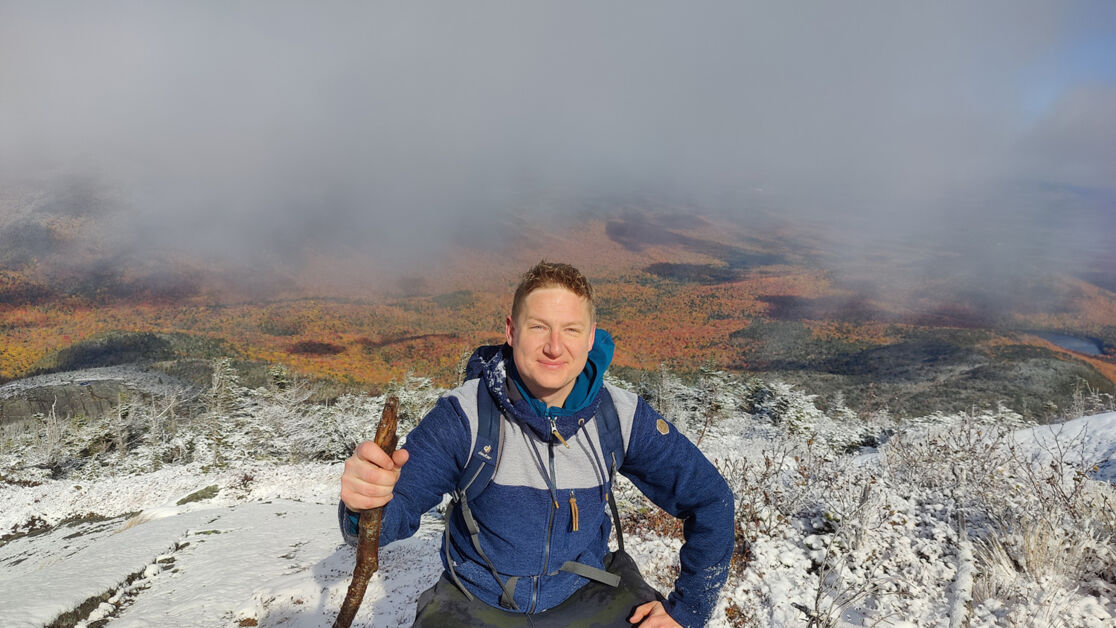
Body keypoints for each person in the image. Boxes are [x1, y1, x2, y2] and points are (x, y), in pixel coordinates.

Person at [339, 261, 734, 627]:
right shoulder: (466, 415)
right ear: (511, 332)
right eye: (539, 327)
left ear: (591, 338)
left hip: (588, 590)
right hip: (477, 600)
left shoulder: (620, 416)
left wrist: (687, 612)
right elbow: (389, 517)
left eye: (571, 330)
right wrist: (364, 504)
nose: (554, 347)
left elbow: (711, 500)